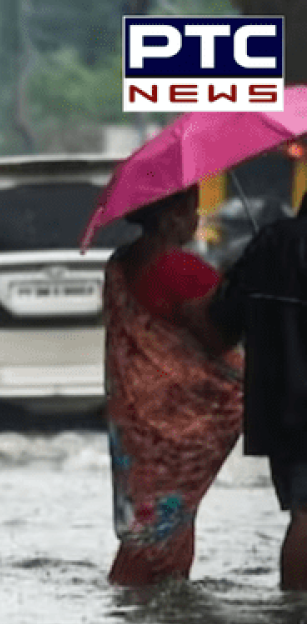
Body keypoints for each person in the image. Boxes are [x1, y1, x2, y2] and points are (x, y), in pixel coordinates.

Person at [101, 185, 244, 586]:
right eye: (190, 210)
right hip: (180, 419)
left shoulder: (120, 262)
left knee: (153, 518)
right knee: (166, 521)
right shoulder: (178, 269)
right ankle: (153, 596)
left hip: (137, 418)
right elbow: (217, 337)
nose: (195, 220)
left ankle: (141, 599)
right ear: (168, 215)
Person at [207, 191, 307, 591]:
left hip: (281, 406)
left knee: (302, 512)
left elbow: (222, 324)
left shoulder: (268, 243)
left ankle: (293, 616)